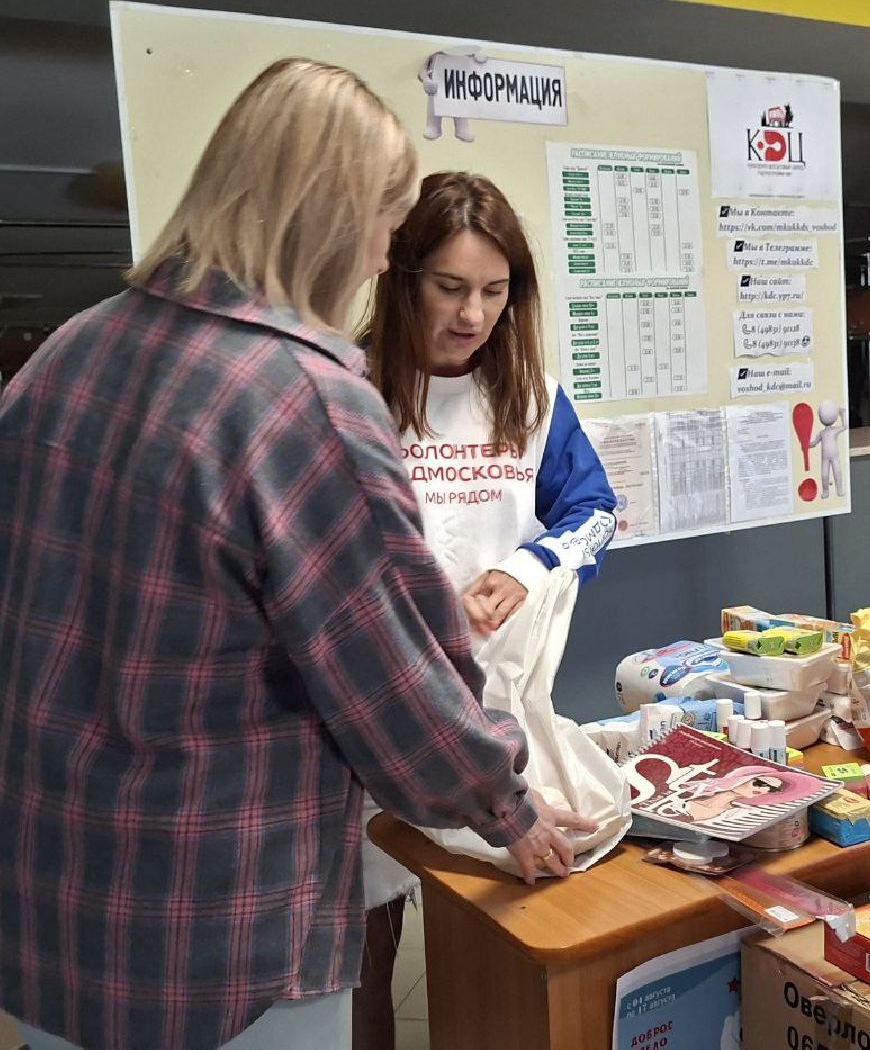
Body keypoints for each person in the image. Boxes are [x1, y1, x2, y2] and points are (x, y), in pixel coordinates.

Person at [0, 59, 591, 1050]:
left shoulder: (65, 353)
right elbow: (398, 690)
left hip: (50, 913)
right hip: (219, 940)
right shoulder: (303, 401)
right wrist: (507, 807)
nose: (374, 260)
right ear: (328, 216)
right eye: (381, 229)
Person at [357, 171, 617, 1049]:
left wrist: (527, 564)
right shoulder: (349, 393)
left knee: (507, 921)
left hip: (491, 711)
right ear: (403, 282)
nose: (473, 315)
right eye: (451, 288)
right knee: (366, 940)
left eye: (495, 293)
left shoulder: (532, 399)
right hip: (375, 707)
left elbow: (595, 512)